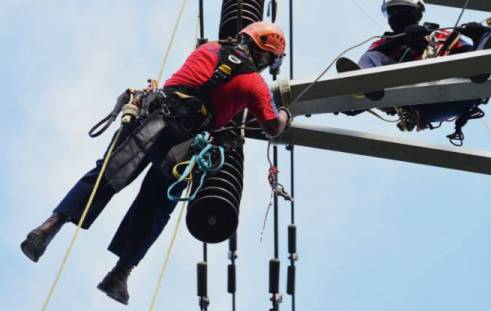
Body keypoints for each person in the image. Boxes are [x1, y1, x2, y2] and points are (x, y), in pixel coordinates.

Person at [20, 21, 292, 305]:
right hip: (183, 143)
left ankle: (48, 228)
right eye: (268, 61)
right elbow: (273, 127)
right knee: (156, 207)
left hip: (151, 119)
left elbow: (204, 81)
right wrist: (283, 113)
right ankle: (119, 274)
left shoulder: (207, 49)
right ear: (264, 55)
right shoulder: (254, 85)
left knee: (105, 175)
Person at [357, 0, 491, 145]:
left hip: (459, 92)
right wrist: (401, 40)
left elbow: (466, 54)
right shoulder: (384, 44)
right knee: (370, 58)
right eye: (391, 11)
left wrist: (479, 35)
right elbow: (371, 58)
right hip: (419, 104)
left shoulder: (440, 36)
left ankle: (486, 64)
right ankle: (360, 89)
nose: (395, 16)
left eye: (400, 10)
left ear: (415, 12)